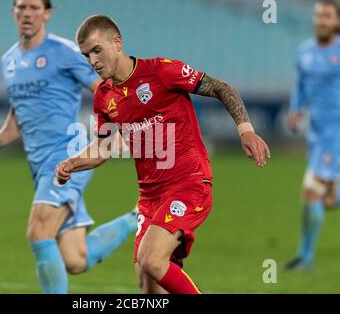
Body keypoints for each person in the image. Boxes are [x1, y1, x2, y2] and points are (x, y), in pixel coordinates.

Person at [56, 15, 270, 294]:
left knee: (151, 259)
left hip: (188, 184)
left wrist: (246, 130)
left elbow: (220, 87)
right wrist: (72, 163)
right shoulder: (104, 98)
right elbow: (104, 147)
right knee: (150, 287)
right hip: (149, 199)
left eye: (97, 50)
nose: (93, 61)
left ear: (117, 42)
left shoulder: (160, 71)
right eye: (86, 55)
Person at [0, 0, 136, 294]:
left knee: (38, 231)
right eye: (21, 6)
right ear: (14, 12)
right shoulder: (9, 60)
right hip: (39, 167)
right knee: (75, 259)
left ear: (47, 14)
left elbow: (107, 88)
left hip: (68, 157)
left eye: (34, 7)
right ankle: (135, 219)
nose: (27, 13)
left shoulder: (65, 52)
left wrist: (120, 127)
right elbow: (18, 118)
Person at [285, 0, 340, 271]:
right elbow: (299, 83)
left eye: (328, 16)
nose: (322, 20)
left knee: (312, 192)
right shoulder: (304, 51)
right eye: (319, 15)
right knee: (326, 199)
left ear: (338, 22)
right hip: (315, 133)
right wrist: (296, 109)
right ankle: (304, 256)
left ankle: (306, 259)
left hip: (337, 132)